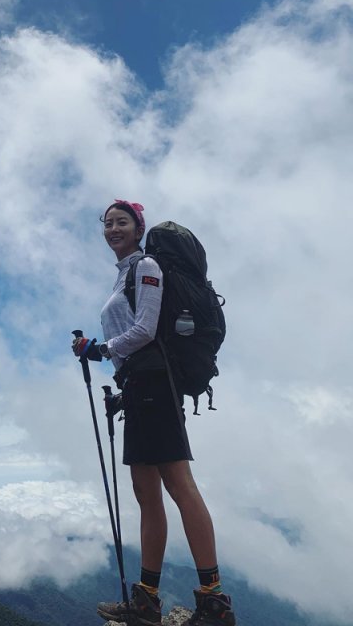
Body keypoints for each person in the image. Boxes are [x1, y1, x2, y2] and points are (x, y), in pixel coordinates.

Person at [71, 200, 236, 626]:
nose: (112, 228)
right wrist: (112, 364)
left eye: (121, 221)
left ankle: (214, 601)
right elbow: (136, 332)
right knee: (147, 493)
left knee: (179, 485)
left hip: (155, 387)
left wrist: (101, 350)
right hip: (139, 387)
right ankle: (146, 599)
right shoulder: (124, 273)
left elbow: (145, 328)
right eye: (107, 223)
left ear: (138, 227)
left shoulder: (147, 266)